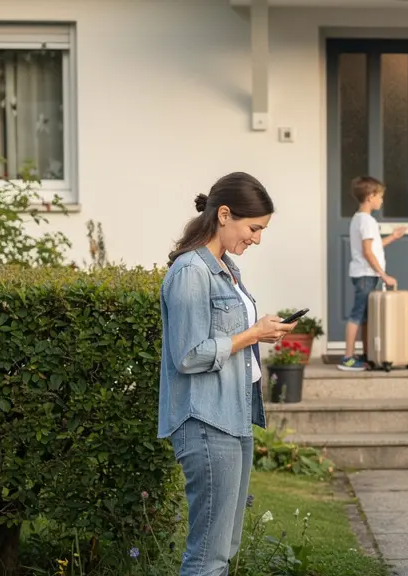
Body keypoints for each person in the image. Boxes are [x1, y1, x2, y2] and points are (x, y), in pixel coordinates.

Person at [158, 172, 298, 576]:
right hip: (205, 421)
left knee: (225, 546)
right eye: (254, 228)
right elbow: (188, 354)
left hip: (233, 419)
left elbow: (226, 337)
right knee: (209, 554)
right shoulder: (191, 271)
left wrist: (259, 334)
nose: (257, 238)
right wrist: (252, 333)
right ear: (224, 214)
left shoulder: (227, 269)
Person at [338, 176, 407, 371]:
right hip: (367, 275)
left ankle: (366, 354)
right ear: (370, 197)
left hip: (365, 274)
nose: (382, 200)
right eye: (380, 196)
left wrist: (392, 237)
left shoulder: (359, 219)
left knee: (366, 316)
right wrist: (383, 274)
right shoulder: (367, 221)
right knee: (357, 315)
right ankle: (348, 357)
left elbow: (372, 247)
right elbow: (368, 252)